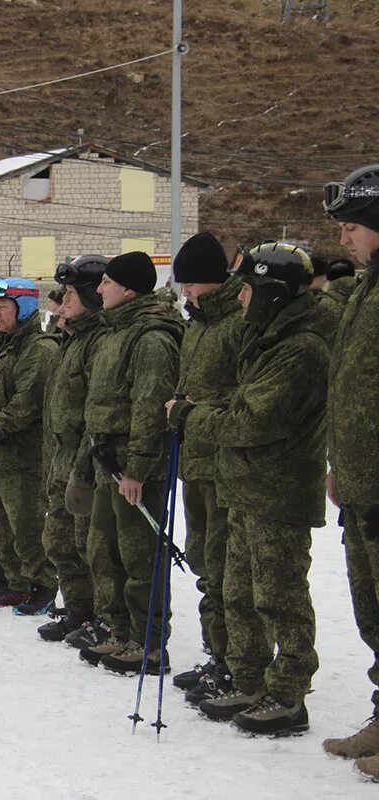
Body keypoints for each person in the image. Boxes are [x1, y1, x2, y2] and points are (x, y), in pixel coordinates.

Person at [169, 242, 325, 736]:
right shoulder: (266, 340)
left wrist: (192, 414)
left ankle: (288, 696)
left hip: (278, 491)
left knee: (280, 598)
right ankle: (249, 677)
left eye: (249, 289)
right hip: (245, 486)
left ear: (272, 293)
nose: (241, 298)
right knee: (239, 593)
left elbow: (249, 419)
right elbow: (235, 400)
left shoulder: (300, 349)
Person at [78, 252, 182, 674]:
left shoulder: (151, 339)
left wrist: (138, 468)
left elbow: (149, 408)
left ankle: (149, 642)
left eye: (106, 282)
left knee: (141, 558)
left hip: (137, 470)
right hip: (109, 462)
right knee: (106, 550)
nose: (99, 290)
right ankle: (120, 629)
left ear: (130, 289)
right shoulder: (115, 331)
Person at [166, 232, 246, 702]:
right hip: (194, 459)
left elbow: (241, 393)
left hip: (223, 463)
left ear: (210, 282)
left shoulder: (236, 323)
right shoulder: (196, 325)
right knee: (202, 561)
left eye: (190, 285)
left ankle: (236, 659)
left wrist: (193, 406)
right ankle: (218, 653)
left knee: (222, 564)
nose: (185, 294)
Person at [320, 164, 379, 777]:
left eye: (353, 226)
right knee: (372, 612)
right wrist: (342, 467)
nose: (343, 240)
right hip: (363, 484)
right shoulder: (364, 288)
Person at [0, 277, 58, 614]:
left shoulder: (40, 349)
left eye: (4, 308)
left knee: (26, 526)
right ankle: (16, 583)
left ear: (26, 308)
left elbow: (27, 401)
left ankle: (42, 585)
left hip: (23, 458)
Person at [38, 256, 108, 642]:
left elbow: (94, 409)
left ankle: (99, 615)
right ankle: (77, 610)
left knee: (87, 544)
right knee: (60, 541)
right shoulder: (73, 339)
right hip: (61, 456)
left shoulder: (97, 342)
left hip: (86, 459)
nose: (62, 303)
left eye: (69, 295)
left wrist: (83, 463)